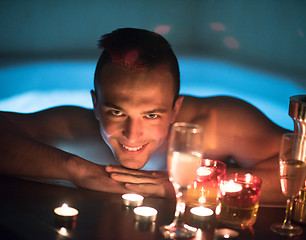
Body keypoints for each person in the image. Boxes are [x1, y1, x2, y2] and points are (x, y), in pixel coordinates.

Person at [0, 28, 288, 204]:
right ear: (95, 103)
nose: (132, 134)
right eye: (116, 111)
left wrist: (182, 185)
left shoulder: (214, 122)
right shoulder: (76, 126)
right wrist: (80, 170)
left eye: (151, 115)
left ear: (175, 109)